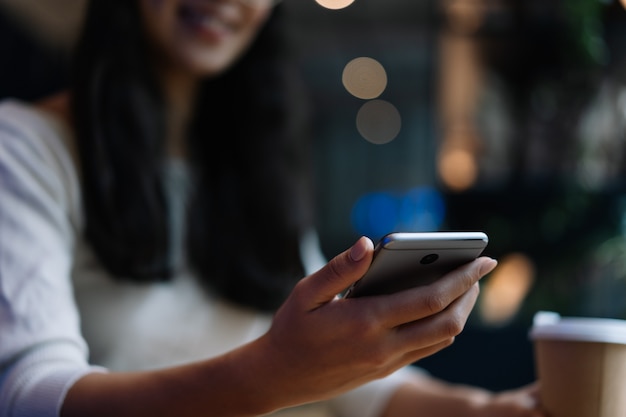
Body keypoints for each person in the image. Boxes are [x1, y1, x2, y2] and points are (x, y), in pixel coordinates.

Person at [0, 0, 545, 416]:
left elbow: (363, 391)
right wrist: (275, 372)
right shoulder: (24, 147)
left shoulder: (250, 170)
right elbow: (30, 395)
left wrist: (490, 410)